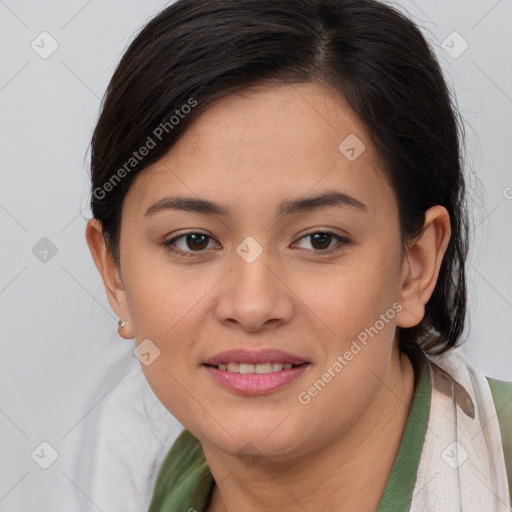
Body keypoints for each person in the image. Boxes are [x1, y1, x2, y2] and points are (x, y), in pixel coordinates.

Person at [84, 0, 512, 510]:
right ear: (114, 274)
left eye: (319, 240)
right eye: (193, 241)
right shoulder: (142, 472)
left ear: (414, 267)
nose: (252, 305)